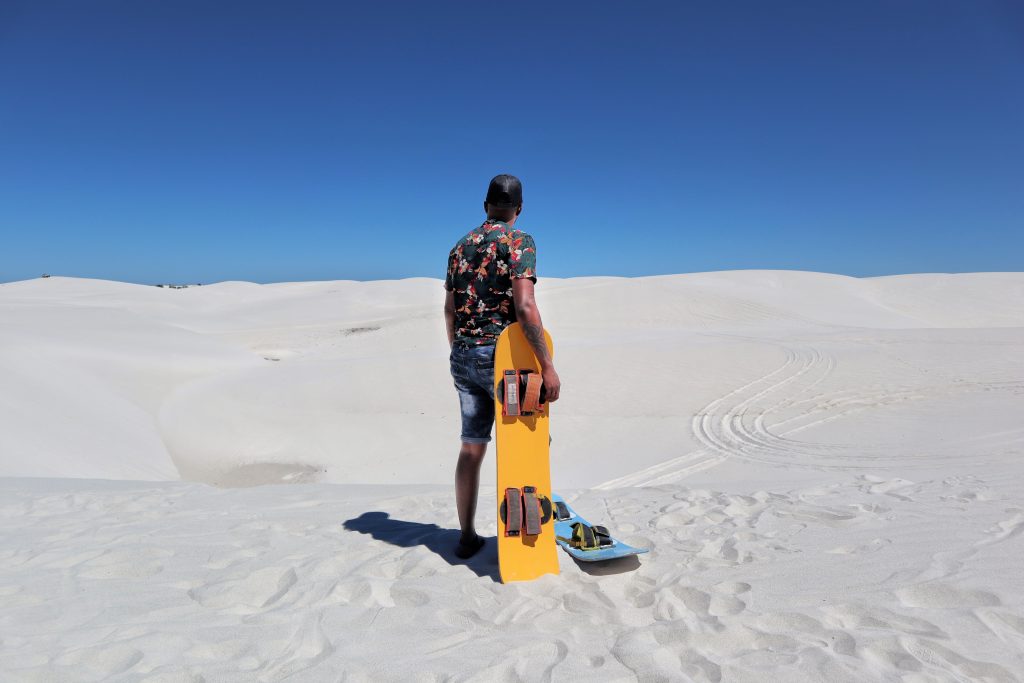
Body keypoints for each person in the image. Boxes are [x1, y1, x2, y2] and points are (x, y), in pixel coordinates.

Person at [443, 174, 561, 559]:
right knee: (527, 441)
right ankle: (525, 532)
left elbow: (449, 309)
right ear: (519, 208)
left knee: (472, 447)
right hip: (503, 361)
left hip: (462, 354)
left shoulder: (460, 246)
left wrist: (459, 352)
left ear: (485, 205)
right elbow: (525, 306)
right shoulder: (519, 241)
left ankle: (466, 536)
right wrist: (547, 365)